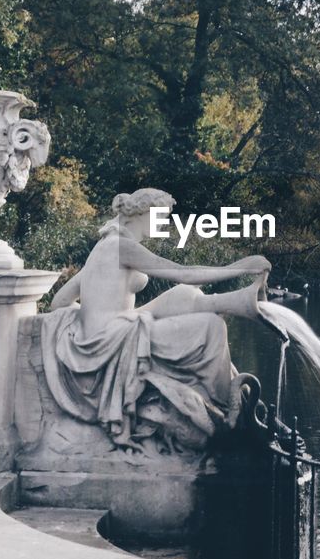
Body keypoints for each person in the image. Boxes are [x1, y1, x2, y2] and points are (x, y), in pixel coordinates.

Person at [41, 188, 269, 452]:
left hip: (108, 331)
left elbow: (59, 302)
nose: (163, 223)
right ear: (140, 213)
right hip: (111, 339)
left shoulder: (105, 246)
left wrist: (83, 322)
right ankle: (230, 409)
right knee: (211, 327)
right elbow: (184, 273)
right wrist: (240, 267)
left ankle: (237, 305)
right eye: (160, 216)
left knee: (183, 296)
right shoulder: (121, 246)